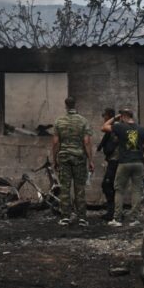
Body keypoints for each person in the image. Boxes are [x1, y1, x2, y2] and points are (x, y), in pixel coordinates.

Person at [102, 108, 144, 226]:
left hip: (124, 163)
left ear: (122, 116)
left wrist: (115, 118)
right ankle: (134, 219)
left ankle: (117, 219)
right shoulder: (142, 130)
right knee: (136, 190)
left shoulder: (120, 127)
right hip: (138, 164)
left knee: (119, 190)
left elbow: (104, 127)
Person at [51, 96, 93, 226]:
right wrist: (90, 160)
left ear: (66, 105)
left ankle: (65, 217)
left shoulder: (59, 121)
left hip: (64, 157)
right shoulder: (83, 121)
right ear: (75, 105)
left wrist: (55, 159)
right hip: (79, 158)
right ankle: (82, 218)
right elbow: (86, 142)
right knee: (79, 188)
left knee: (65, 188)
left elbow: (56, 142)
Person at [96, 108, 119, 222]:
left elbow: (112, 146)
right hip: (113, 160)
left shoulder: (115, 127)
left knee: (107, 185)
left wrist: (107, 151)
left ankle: (113, 212)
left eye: (104, 115)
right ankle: (113, 210)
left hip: (115, 161)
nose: (103, 117)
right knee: (110, 186)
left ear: (109, 116)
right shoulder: (113, 127)